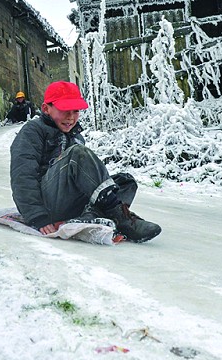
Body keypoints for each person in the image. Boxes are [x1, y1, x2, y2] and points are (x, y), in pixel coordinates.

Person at [10, 81, 161, 242]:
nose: (71, 117)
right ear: (46, 108)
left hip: (70, 202)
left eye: (75, 111)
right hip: (47, 203)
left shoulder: (76, 136)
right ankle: (119, 218)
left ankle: (94, 214)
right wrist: (37, 216)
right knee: (78, 154)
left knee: (125, 181)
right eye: (64, 110)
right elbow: (22, 176)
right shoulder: (33, 131)